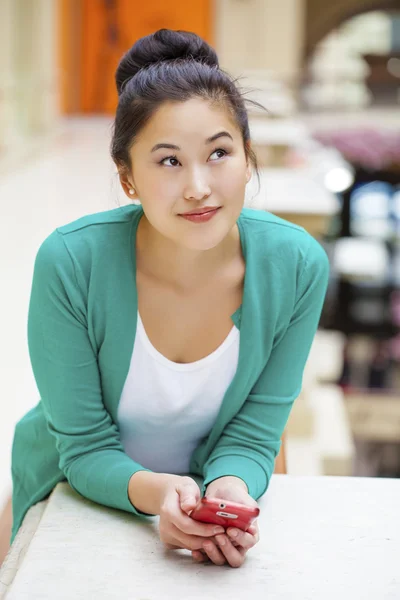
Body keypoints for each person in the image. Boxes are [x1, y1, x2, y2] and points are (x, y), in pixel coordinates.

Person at [11, 29, 329, 568]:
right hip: (74, 497)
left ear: (248, 158)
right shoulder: (70, 263)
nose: (199, 186)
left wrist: (228, 487)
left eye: (220, 153)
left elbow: (255, 434)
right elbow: (84, 449)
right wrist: (162, 497)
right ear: (127, 178)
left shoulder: (296, 267)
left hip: (206, 511)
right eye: (168, 161)